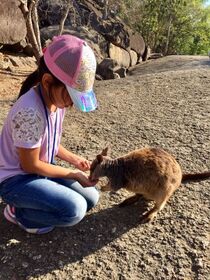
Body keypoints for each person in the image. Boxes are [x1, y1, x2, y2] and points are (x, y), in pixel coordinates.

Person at [0, 34, 99, 234]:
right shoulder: (29, 112)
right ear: (47, 81)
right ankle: (18, 213)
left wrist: (74, 159)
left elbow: (48, 143)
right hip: (16, 180)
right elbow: (30, 164)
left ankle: (37, 199)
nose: (72, 103)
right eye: (71, 95)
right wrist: (73, 174)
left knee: (91, 197)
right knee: (74, 210)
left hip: (39, 171)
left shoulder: (56, 102)